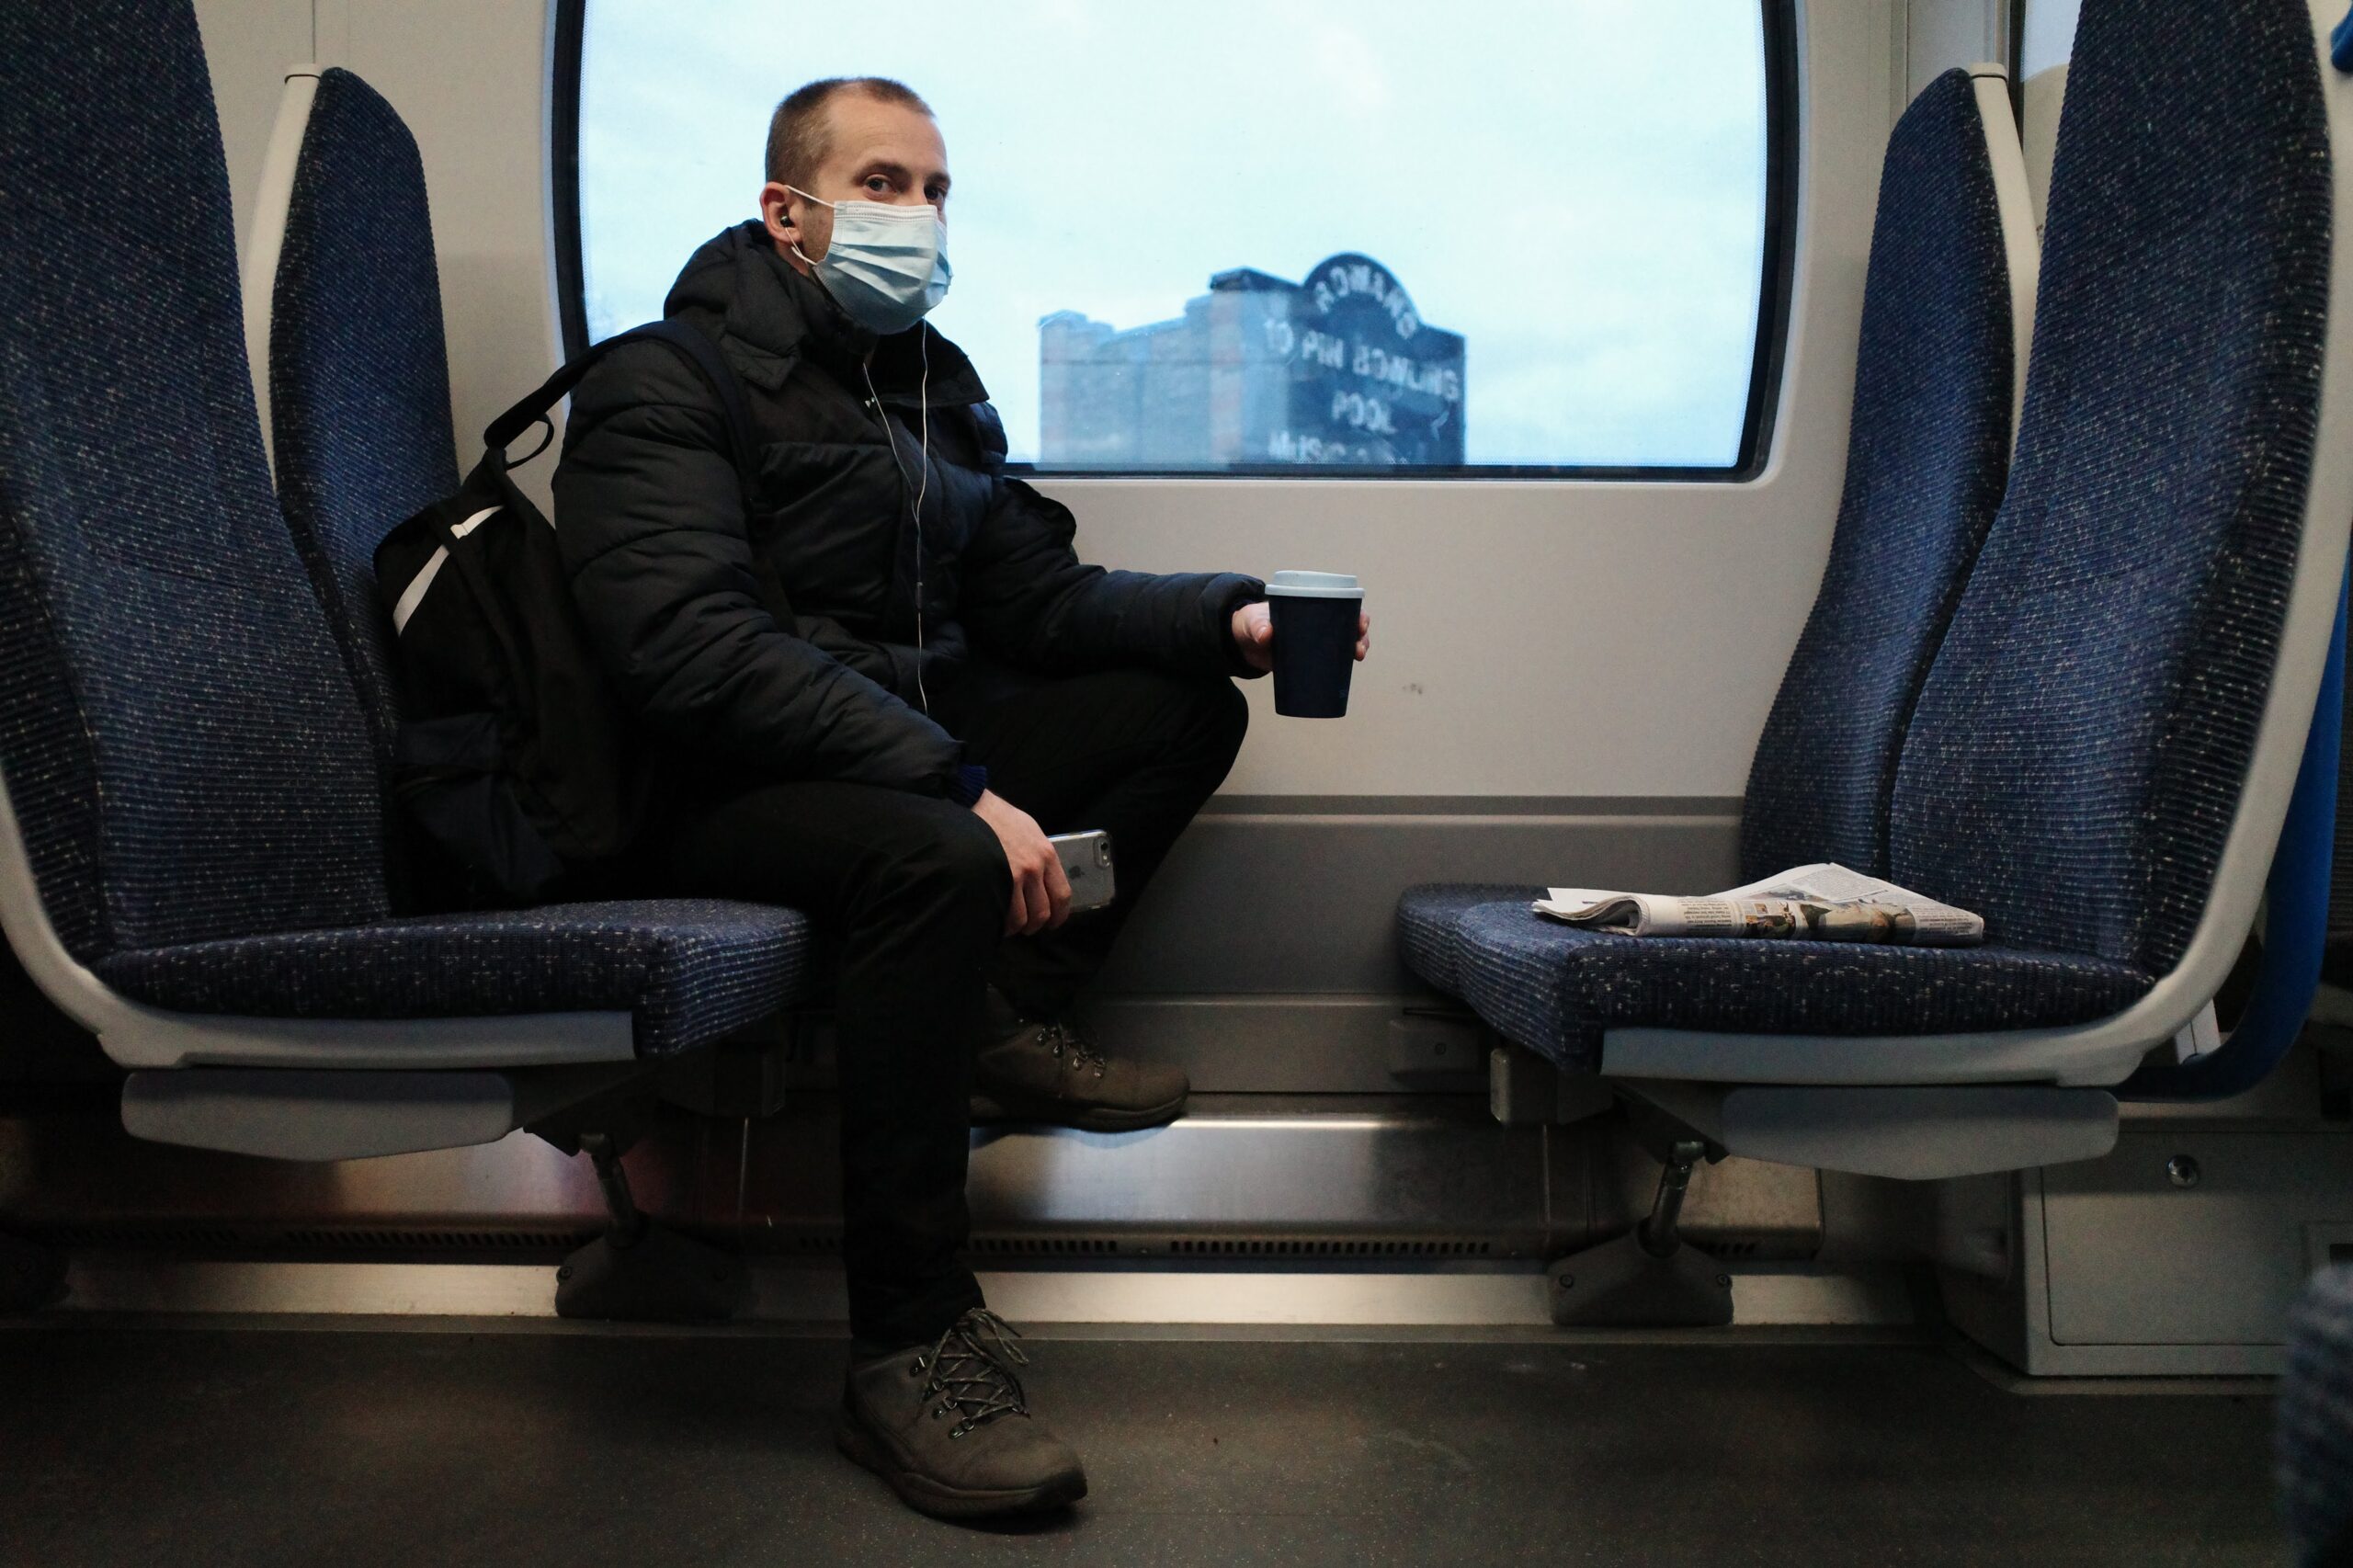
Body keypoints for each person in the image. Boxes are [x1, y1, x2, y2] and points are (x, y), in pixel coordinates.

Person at [552, 75, 1371, 1520]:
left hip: (897, 757)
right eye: (881, 187)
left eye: (935, 193)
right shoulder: (661, 382)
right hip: (717, 782)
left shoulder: (932, 381)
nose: (917, 220)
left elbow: (1040, 600)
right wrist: (958, 783)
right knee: (937, 858)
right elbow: (689, 654)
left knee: (1175, 708)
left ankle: (1004, 1018)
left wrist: (1229, 616)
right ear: (785, 213)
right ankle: (909, 1346)